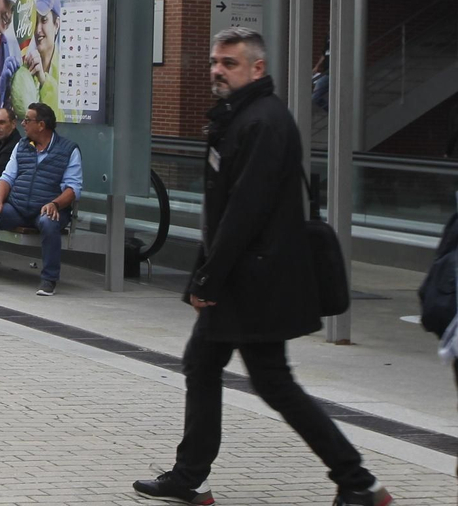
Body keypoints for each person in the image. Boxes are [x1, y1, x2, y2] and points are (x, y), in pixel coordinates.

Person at [133, 28, 391, 506]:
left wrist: (207, 279)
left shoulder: (264, 122)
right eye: (214, 61)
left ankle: (359, 483)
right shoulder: (237, 118)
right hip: (241, 278)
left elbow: (244, 213)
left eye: (229, 63)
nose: (216, 70)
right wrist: (200, 276)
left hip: (253, 283)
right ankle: (191, 477)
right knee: (206, 365)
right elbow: (220, 211)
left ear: (257, 69)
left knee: (273, 383)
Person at [0, 101, 82, 296]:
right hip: (18, 207)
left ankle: (49, 279)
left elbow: (73, 188)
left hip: (48, 207)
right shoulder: (22, 146)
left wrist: (55, 204)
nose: (23, 124)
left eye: (27, 120)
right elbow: (6, 178)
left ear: (41, 125)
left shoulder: (68, 150)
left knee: (49, 221)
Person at [8, 0, 65, 122]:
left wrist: (44, 80)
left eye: (44, 20)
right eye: (35, 21)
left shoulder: (68, 70)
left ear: (56, 25)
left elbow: (64, 119)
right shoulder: (26, 67)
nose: (38, 29)